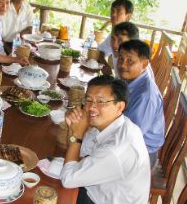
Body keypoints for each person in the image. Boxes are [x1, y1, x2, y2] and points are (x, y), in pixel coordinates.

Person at [61, 75, 150, 204]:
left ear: (119, 107)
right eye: (89, 100)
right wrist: (74, 127)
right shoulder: (113, 123)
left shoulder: (116, 150)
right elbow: (81, 152)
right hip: (99, 190)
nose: (91, 107)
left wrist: (77, 135)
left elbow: (68, 179)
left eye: (101, 102)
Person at [117, 39, 165, 168]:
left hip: (141, 154)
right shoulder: (131, 81)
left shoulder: (145, 96)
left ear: (144, 65)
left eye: (130, 61)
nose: (122, 65)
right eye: (120, 58)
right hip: (128, 140)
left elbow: (129, 138)